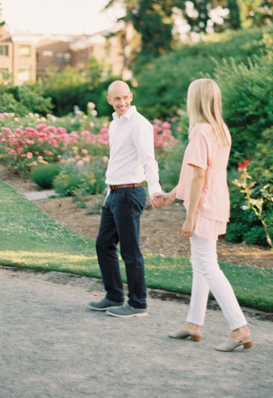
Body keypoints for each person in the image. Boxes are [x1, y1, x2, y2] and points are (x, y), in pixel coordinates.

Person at [151, 79, 252, 351]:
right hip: (218, 202)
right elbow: (196, 173)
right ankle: (193, 324)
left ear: (194, 101)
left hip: (204, 207)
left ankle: (239, 327)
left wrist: (189, 217)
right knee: (201, 264)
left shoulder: (200, 131)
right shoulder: (221, 130)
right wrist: (172, 194)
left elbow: (198, 177)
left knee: (208, 265)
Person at [88, 80, 161, 317]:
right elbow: (118, 160)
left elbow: (149, 160)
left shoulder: (140, 125)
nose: (122, 102)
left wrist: (155, 190)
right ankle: (114, 296)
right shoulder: (114, 124)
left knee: (130, 251)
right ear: (109, 100)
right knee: (103, 244)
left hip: (130, 193)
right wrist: (108, 193)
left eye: (125, 97)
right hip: (114, 193)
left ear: (131, 96)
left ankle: (138, 304)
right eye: (116, 99)